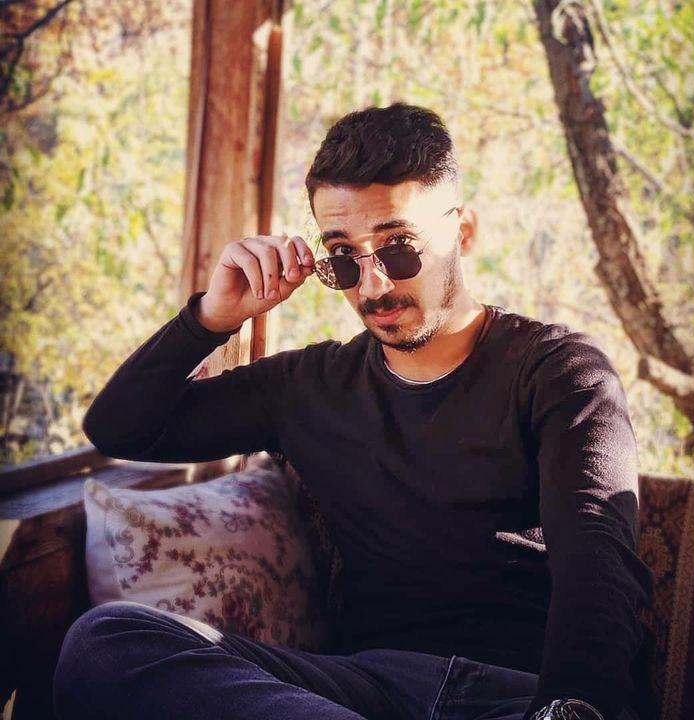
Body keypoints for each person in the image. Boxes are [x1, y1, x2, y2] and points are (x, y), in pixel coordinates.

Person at [53, 103, 657, 720]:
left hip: (515, 696)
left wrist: (566, 710)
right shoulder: (307, 386)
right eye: (343, 256)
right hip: (360, 692)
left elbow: (599, 557)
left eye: (399, 248)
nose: (372, 287)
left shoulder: (559, 371)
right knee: (105, 644)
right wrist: (211, 317)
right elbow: (120, 427)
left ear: (463, 232)